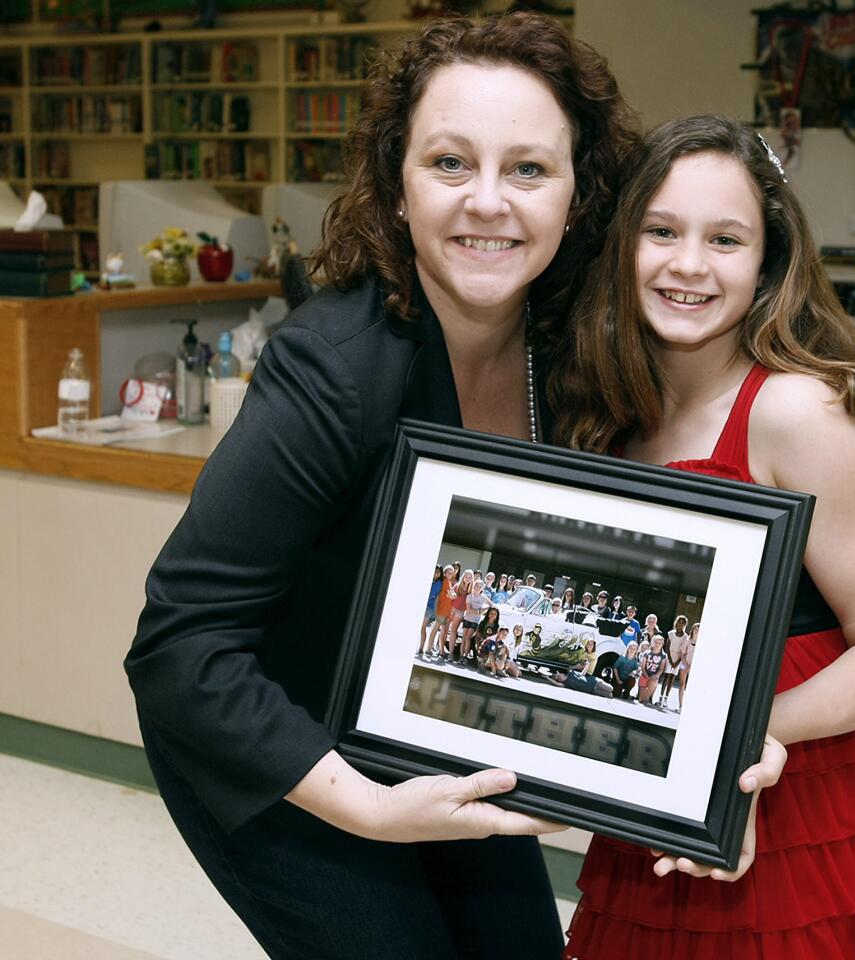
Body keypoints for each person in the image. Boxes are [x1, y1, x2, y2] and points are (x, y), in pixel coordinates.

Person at [123, 14, 642, 960]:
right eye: (450, 163)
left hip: (426, 724)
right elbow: (177, 649)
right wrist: (365, 808)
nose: (488, 202)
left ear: (580, 194)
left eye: (528, 169)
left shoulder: (577, 357)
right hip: (274, 735)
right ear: (397, 187)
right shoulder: (335, 368)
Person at [553, 115, 855, 958]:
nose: (688, 265)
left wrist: (744, 730)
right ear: (623, 244)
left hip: (796, 803)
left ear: (767, 261)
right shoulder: (604, 412)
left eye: (724, 239)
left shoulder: (795, 411)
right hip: (657, 805)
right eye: (661, 231)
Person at [660, 614, 690, 709]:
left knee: (672, 677)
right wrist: (670, 660)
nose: (680, 624)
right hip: (670, 656)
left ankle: (666, 698)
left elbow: (683, 651)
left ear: (685, 625)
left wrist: (677, 662)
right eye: (679, 622)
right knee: (667, 676)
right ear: (676, 623)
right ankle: (661, 697)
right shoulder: (671, 633)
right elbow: (667, 647)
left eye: (683, 623)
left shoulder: (686, 637)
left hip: (678, 658)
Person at [419, 563, 444, 657]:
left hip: (428, 607)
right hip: (422, 605)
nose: (436, 573)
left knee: (423, 627)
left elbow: (431, 595)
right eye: (435, 571)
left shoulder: (438, 583)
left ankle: (421, 648)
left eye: (438, 572)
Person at [635, 634, 667, 706]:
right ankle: (643, 698)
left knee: (654, 681)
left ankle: (647, 699)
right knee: (640, 699)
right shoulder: (646, 653)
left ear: (662, 645)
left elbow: (661, 669)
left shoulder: (663, 656)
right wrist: (646, 676)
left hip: (654, 677)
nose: (657, 645)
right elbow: (643, 667)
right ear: (652, 642)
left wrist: (655, 676)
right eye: (656, 642)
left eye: (659, 643)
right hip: (644, 675)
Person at [677, 620, 699, 708]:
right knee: (682, 684)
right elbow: (682, 653)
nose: (697, 631)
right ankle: (680, 705)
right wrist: (686, 664)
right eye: (696, 629)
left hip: (695, 666)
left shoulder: (702, 641)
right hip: (685, 664)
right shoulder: (687, 640)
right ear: (692, 630)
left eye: (699, 630)